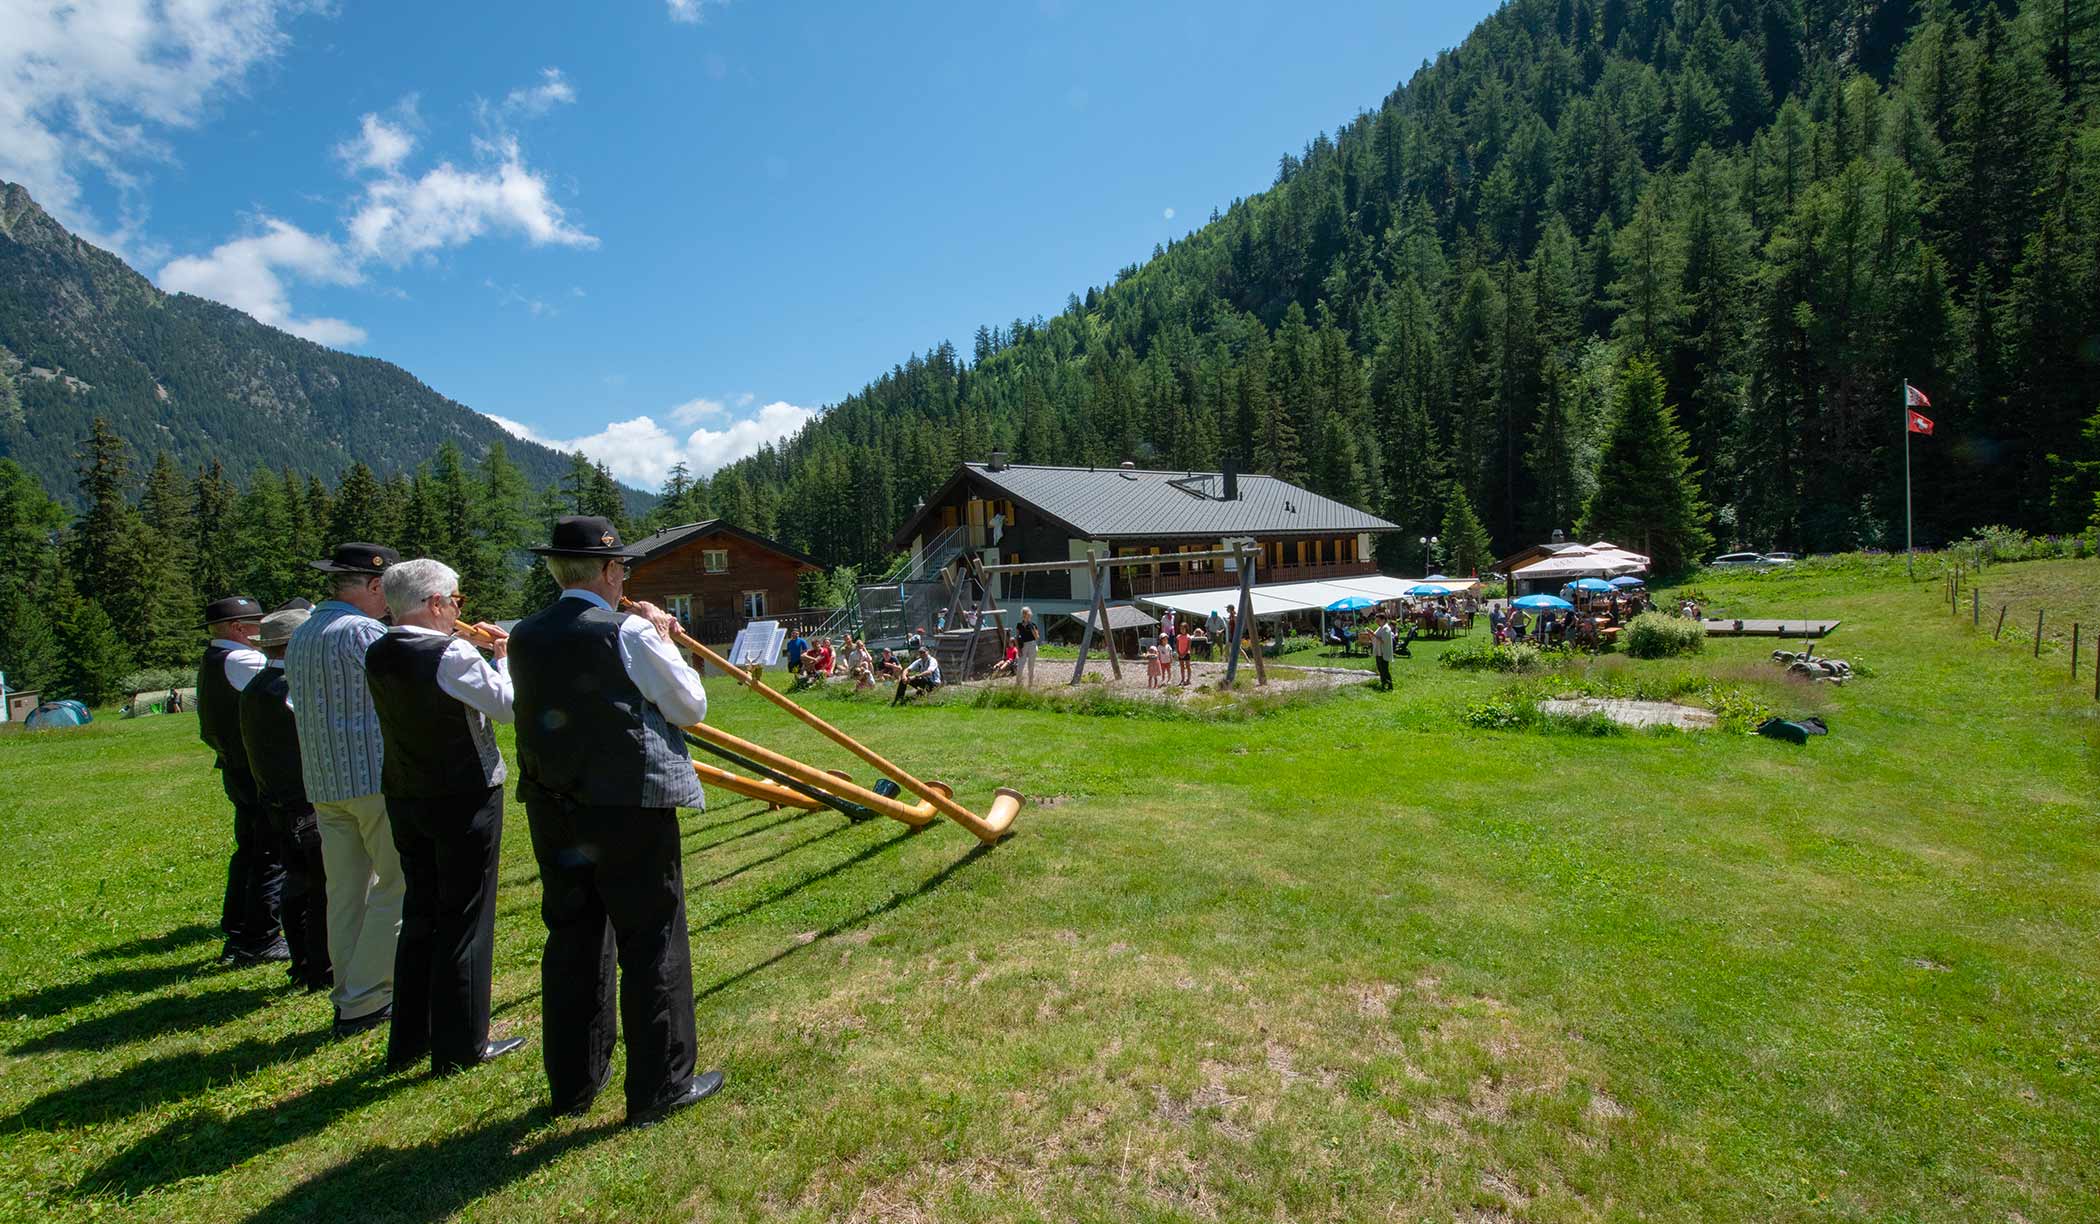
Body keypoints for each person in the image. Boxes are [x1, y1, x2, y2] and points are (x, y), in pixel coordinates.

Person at [509, 516, 725, 1127]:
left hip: (554, 808)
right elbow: (692, 707)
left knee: (573, 942)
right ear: (607, 571)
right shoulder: (629, 630)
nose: (624, 577)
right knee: (652, 939)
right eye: (621, 567)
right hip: (629, 807)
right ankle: (660, 1086)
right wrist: (665, 637)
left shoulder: (524, 635)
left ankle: (575, 1083)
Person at [364, 559, 528, 1076]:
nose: (460, 609)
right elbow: (507, 706)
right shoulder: (450, 650)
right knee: (465, 918)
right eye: (456, 600)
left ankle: (411, 1036)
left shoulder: (380, 648)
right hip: (463, 793)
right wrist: (503, 658)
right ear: (436, 603)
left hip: (405, 792)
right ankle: (463, 1044)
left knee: (421, 915)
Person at [288, 543, 407, 1039]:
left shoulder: (303, 632)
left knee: (345, 891)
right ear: (374, 586)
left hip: (324, 780)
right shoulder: (364, 632)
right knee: (396, 885)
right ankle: (370, 993)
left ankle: (348, 993)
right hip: (373, 777)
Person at [240, 606, 329, 992]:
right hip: (304, 799)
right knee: (320, 884)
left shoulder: (255, 686)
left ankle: (303, 962)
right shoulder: (291, 689)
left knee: (297, 880)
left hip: (273, 799)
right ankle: (319, 964)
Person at [196, 594, 286, 966]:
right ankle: (261, 937)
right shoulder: (242, 659)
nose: (261, 631)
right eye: (256, 625)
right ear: (238, 629)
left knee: (249, 848)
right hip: (257, 767)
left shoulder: (213, 659)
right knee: (270, 851)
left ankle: (237, 926)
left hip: (234, 764)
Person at [1015, 606, 1041, 685]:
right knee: (1020, 665)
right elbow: (1016, 638)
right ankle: (1018, 683)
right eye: (1024, 613)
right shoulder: (1019, 625)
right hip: (1023, 645)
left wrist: (1031, 627)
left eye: (1027, 613)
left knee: (1031, 665)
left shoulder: (1033, 625)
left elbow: (1037, 637)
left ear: (1029, 614)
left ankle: (1030, 683)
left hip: (1032, 644)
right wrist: (1018, 649)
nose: (1025, 615)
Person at [1371, 617, 1396, 691]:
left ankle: (1390, 685)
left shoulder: (1386, 628)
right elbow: (1375, 636)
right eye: (1376, 620)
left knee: (1384, 669)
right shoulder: (1380, 628)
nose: (1377, 622)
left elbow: (1383, 640)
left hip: (1383, 652)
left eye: (1378, 620)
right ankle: (1383, 683)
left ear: (1383, 620)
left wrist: (1373, 634)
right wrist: (1371, 634)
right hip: (1378, 652)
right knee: (1380, 669)